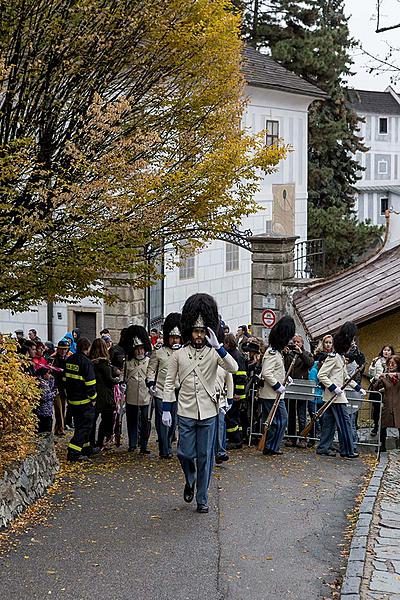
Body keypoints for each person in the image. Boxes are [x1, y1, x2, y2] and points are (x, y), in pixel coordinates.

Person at [163, 293, 238, 514]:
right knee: (184, 454)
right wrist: (167, 409)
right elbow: (169, 383)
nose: (198, 335)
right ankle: (190, 479)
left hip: (208, 412)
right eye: (196, 331)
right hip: (186, 410)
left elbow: (233, 367)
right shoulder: (179, 354)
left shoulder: (214, 353)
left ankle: (202, 498)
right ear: (189, 331)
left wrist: (219, 347)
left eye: (202, 331)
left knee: (206, 457)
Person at [316, 322, 366, 459]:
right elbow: (321, 375)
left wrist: (358, 388)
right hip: (336, 397)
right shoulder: (333, 357)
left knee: (329, 424)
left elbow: (345, 378)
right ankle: (347, 450)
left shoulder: (339, 357)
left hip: (334, 396)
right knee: (345, 423)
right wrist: (334, 388)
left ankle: (323, 447)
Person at [146, 313, 182, 459]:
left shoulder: (182, 352)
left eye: (177, 337)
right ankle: (164, 449)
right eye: (172, 337)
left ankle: (168, 443)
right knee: (162, 421)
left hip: (177, 390)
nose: (175, 340)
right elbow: (151, 369)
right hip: (161, 390)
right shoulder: (159, 352)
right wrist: (150, 383)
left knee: (173, 422)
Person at [259, 315, 295, 456]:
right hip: (271, 394)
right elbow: (266, 373)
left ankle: (272, 446)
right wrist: (277, 386)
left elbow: (275, 371)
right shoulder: (273, 352)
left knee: (277, 421)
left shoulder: (276, 352)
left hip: (274, 393)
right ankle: (270, 446)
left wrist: (286, 378)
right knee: (278, 421)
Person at [65, 338, 97, 462]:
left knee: (81, 426)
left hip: (73, 400)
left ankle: (86, 449)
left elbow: (65, 379)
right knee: (84, 428)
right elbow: (90, 383)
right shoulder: (86, 363)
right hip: (84, 402)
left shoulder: (70, 360)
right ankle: (73, 453)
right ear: (87, 348)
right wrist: (93, 398)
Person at [121, 325, 152, 454]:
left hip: (145, 396)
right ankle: (132, 443)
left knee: (145, 422)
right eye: (137, 349)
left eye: (141, 349)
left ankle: (144, 445)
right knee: (131, 421)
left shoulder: (149, 361)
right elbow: (124, 376)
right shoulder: (127, 362)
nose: (139, 352)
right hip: (131, 395)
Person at [284, 334, 314, 448]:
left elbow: (310, 364)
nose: (296, 344)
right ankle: (291, 438)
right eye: (294, 342)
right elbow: (286, 366)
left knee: (301, 415)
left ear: (302, 344)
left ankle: (303, 438)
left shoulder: (306, 354)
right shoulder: (290, 354)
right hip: (291, 388)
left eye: (298, 342)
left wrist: (301, 353)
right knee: (291, 414)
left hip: (302, 388)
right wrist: (286, 354)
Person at [89, 338, 120, 449]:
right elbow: (109, 379)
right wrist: (117, 379)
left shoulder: (89, 362)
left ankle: (91, 442)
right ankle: (101, 441)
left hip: (93, 394)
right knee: (106, 420)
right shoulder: (104, 363)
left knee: (92, 421)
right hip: (105, 396)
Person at [223, 334, 247, 450]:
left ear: (228, 343)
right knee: (234, 416)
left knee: (232, 416)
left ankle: (236, 440)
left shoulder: (235, 355)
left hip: (236, 393)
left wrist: (238, 393)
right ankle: (236, 437)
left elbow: (241, 376)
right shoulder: (234, 354)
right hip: (233, 392)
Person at [368, 345, 395, 436]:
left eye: (388, 350)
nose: (386, 352)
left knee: (386, 410)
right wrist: (372, 366)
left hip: (389, 387)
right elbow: (371, 374)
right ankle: (376, 427)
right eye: (384, 350)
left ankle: (385, 429)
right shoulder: (377, 360)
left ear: (391, 352)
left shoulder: (394, 361)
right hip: (377, 386)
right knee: (376, 409)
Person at [377, 354, 400, 452]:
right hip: (387, 404)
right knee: (383, 425)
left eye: (393, 364)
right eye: (389, 363)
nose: (390, 365)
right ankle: (382, 446)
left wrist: (394, 375)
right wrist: (380, 379)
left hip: (398, 403)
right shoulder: (385, 375)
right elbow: (375, 388)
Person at [50, 339, 72, 436]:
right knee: (58, 409)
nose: (63, 351)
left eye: (65, 349)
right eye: (61, 349)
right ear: (58, 349)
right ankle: (60, 429)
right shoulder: (53, 359)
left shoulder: (68, 358)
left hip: (65, 387)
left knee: (63, 408)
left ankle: (58, 428)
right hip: (56, 387)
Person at [215, 366, 234, 464]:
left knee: (220, 427)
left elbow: (229, 380)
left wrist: (230, 398)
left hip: (220, 401)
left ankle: (220, 452)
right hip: (203, 401)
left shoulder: (223, 360)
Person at [34, 367, 57, 433]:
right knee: (45, 429)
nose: (49, 375)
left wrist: (52, 379)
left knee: (48, 427)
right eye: (48, 373)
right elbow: (44, 397)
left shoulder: (44, 382)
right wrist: (54, 394)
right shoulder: (41, 384)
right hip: (43, 411)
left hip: (47, 410)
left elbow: (50, 387)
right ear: (44, 374)